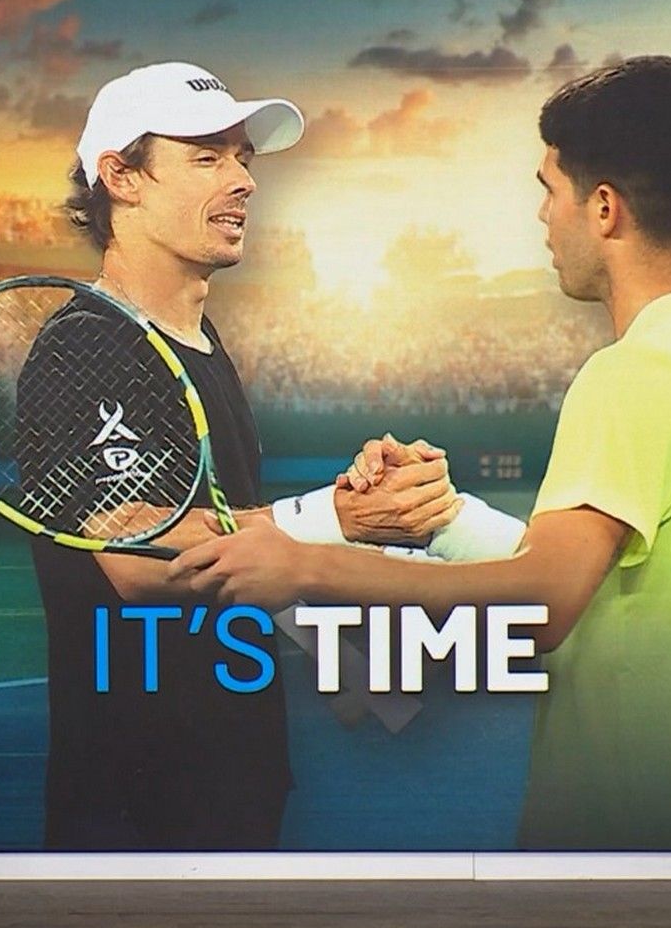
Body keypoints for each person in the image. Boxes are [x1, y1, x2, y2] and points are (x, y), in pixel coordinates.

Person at [172, 56, 671, 851]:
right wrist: (446, 519)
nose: (542, 215)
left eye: (549, 189)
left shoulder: (633, 374)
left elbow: (544, 600)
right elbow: (604, 578)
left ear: (604, 208)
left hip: (631, 846)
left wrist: (306, 566)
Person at [34, 62, 463, 850]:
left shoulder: (200, 340)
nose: (242, 181)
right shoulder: (87, 345)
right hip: (136, 809)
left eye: (242, 158)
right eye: (207, 157)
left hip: (233, 785)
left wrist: (357, 643)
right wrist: (335, 516)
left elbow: (241, 538)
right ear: (121, 178)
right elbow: (136, 553)